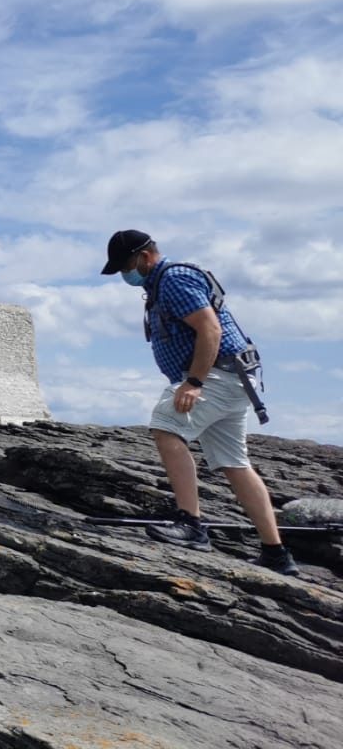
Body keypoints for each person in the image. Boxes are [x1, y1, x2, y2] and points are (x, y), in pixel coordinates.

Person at [101, 229, 297, 576]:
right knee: (234, 463)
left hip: (216, 375)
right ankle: (276, 553)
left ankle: (191, 523)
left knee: (165, 427)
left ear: (144, 257)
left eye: (125, 266)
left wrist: (193, 382)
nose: (123, 275)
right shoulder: (160, 285)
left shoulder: (173, 279)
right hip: (235, 377)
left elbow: (210, 330)